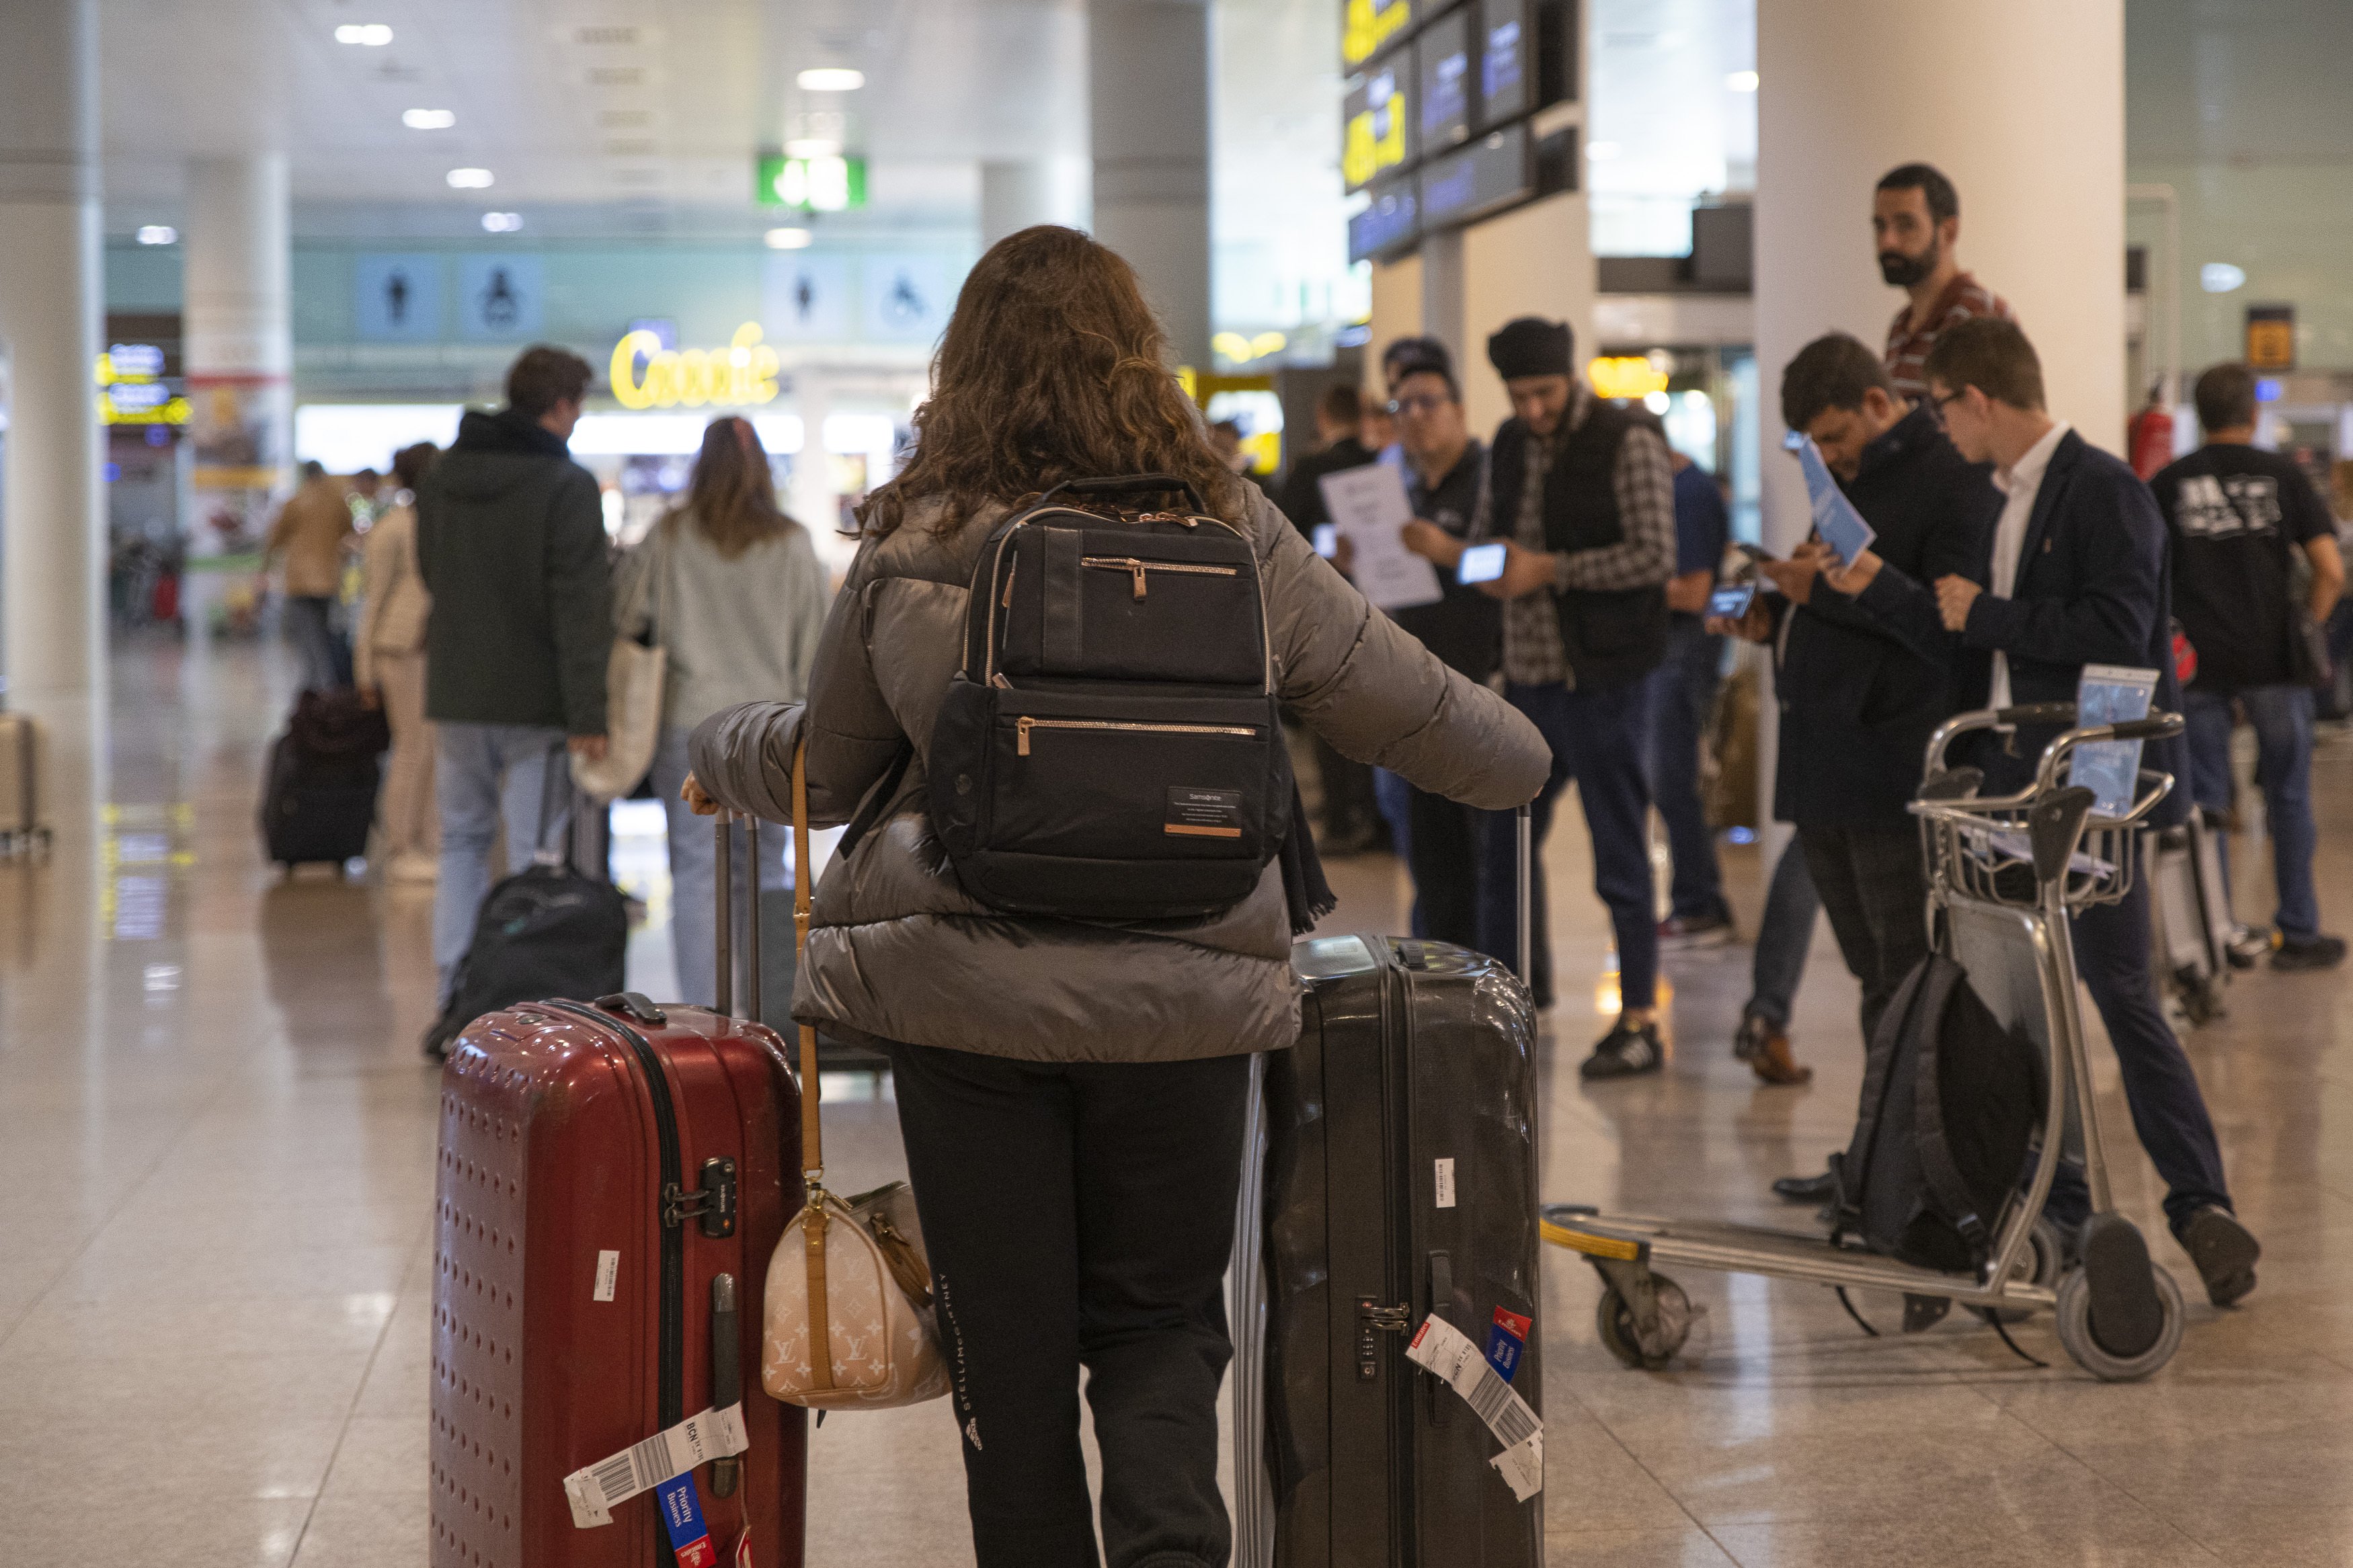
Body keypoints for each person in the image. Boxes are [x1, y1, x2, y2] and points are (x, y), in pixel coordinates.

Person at [679, 224, 1548, 1568]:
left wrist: (714, 749)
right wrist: (1525, 757)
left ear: (960, 366)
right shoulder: (1226, 525)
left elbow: (828, 766)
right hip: (1184, 997)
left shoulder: (913, 536)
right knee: (1159, 1338)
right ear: (1135, 353)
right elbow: (1402, 696)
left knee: (1007, 1370)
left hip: (967, 1007)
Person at [1857, 316, 2258, 1307]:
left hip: (2098, 777)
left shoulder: (2102, 489)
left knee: (2120, 992)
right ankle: (2063, 1199)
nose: (1941, 429)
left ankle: (2199, 1204)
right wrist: (1886, 592)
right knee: (2025, 994)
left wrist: (1984, 615)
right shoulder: (2012, 496)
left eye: (1942, 408)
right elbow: (1983, 643)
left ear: (1977, 398)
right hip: (2023, 778)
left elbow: (2120, 632)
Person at [1716, 333, 1999, 1198]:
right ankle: (1878, 1164)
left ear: (1880, 403)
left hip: (1891, 766)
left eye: (1835, 435)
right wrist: (1777, 611)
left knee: (1905, 984)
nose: (1829, 456)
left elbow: (1948, 629)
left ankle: (1915, 1176)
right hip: (1825, 762)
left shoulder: (1950, 482)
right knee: (1874, 983)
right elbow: (1833, 593)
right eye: (1815, 445)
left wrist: (1829, 594)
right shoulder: (1841, 480)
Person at [1470, 317, 1675, 1079]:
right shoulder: (1509, 441)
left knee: (1619, 852)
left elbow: (1655, 555)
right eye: (1518, 396)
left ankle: (1639, 1018)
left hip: (1606, 682)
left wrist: (1550, 570)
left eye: (1543, 393)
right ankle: (1508, 1002)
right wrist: (1479, 563)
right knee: (1504, 843)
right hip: (1526, 680)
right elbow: (1497, 537)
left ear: (1571, 377)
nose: (1531, 410)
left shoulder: (1626, 440)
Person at [415, 345, 612, 1040]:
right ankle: (521, 1003)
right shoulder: (566, 487)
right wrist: (591, 711)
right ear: (558, 407)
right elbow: (580, 606)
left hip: (458, 689)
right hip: (537, 699)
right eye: (578, 406)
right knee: (535, 855)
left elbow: (431, 569)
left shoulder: (444, 476)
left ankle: (454, 993)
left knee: (463, 843)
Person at [614, 415, 831, 1006]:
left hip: (689, 724)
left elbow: (627, 616)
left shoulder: (669, 535)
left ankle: (705, 1020)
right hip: (770, 731)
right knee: (764, 871)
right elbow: (816, 648)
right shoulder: (792, 542)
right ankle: (766, 1014)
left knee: (692, 871)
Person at [2152, 362, 2348, 971]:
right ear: (2253, 413)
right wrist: (2310, 627)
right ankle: (2298, 931)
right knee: (2288, 796)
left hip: (2197, 667)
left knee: (2207, 800)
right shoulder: (2283, 474)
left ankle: (2217, 933)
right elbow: (2331, 570)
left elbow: (2148, 579)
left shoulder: (2168, 481)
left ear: (2201, 414)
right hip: (2275, 663)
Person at [1383, 359, 1503, 944]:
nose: (1415, 417)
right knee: (1432, 854)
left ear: (1459, 410)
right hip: (1419, 691)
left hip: (1485, 687)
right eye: (1402, 406)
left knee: (1490, 855)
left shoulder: (1491, 478)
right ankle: (1444, 977)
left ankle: (1509, 978)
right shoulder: (1404, 489)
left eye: (1428, 402)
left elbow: (1509, 565)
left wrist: (1448, 550)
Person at [1273, 382, 1387, 852]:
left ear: (1323, 414)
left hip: (1324, 609)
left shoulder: (1312, 467)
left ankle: (1342, 819)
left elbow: (1285, 536)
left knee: (1330, 715)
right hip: (1381, 604)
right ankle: (1376, 815)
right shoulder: (1380, 466)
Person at [1650, 451, 1735, 947]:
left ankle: (1700, 905)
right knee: (1668, 778)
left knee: (1672, 778)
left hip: (1684, 654)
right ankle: (1697, 900)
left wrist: (1623, 579)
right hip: (1673, 652)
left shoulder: (1691, 493)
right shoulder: (1682, 489)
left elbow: (1693, 591)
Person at [355, 442, 442, 883]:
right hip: (400, 649)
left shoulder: (438, 523)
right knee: (412, 747)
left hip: (432, 650)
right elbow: (373, 602)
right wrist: (364, 670)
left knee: (431, 747)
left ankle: (427, 839)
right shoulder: (393, 530)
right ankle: (400, 844)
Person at [1874, 162, 2015, 402]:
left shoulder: (1979, 315)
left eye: (1906, 225)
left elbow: (1986, 430)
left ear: (1949, 231)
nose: (1888, 242)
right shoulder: (1900, 326)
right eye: (1880, 226)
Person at [265, 460, 358, 693]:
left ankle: (315, 685)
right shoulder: (338, 503)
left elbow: (275, 539)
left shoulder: (294, 503)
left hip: (299, 580)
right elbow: (349, 534)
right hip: (329, 578)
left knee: (307, 635)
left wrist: (264, 567)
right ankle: (326, 682)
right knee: (326, 632)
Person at [1274, 381, 1373, 539]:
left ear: (1322, 416)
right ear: (1362, 417)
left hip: (1317, 561)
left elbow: (1283, 527)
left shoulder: (1308, 468)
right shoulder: (1379, 461)